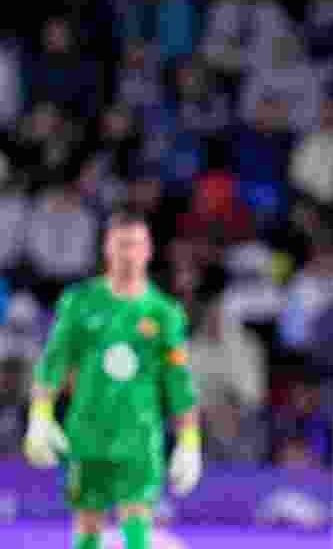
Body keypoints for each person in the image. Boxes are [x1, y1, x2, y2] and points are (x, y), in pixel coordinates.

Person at [23, 210, 202, 549]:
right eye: (122, 245)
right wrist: (40, 415)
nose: (129, 254)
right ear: (107, 247)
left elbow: (179, 382)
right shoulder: (79, 302)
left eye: (136, 245)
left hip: (140, 433)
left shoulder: (164, 313)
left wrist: (190, 440)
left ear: (148, 250)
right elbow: (54, 363)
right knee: (87, 519)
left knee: (136, 516)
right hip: (87, 430)